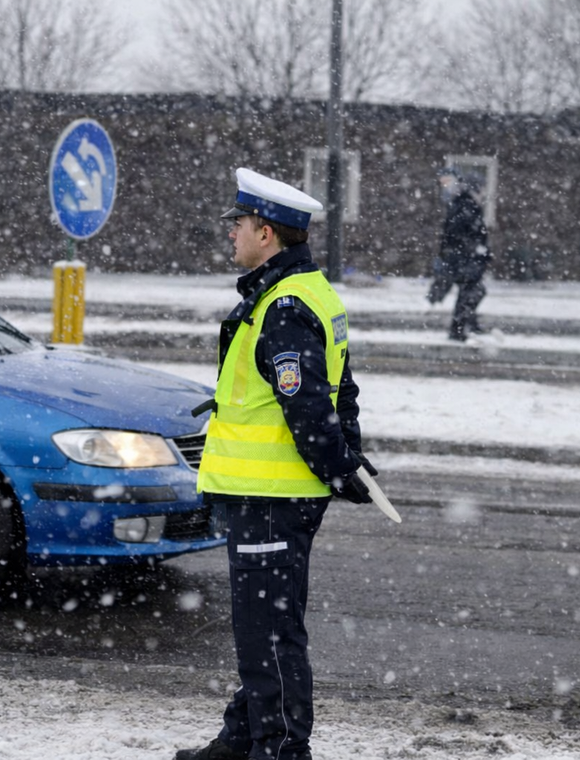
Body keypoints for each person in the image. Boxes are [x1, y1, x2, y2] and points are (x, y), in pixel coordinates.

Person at [178, 168, 377, 760]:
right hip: (269, 497)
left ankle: (282, 749)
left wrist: (340, 465)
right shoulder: (302, 293)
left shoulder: (284, 305)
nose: (231, 235)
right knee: (260, 629)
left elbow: (310, 406)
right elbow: (342, 390)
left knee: (269, 634)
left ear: (265, 232)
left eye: (237, 225)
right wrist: (347, 458)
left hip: (271, 498)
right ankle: (243, 738)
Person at [428, 166, 491, 341]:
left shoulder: (463, 204)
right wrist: (475, 253)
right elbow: (461, 234)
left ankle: (467, 325)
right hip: (466, 259)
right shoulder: (466, 205)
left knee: (471, 291)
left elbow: (454, 234)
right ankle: (459, 329)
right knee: (471, 292)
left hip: (464, 258)